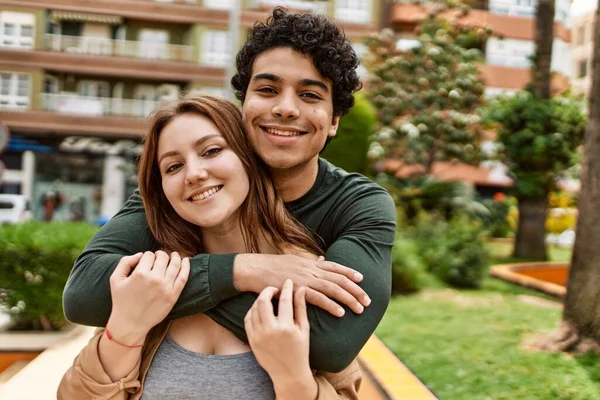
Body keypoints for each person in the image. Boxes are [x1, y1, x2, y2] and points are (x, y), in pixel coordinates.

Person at [63, 7, 396, 372]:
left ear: (333, 121)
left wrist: (163, 289)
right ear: (243, 105)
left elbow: (330, 341)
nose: (285, 108)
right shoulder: (191, 187)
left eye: (310, 95)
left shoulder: (357, 205)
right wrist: (241, 270)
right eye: (268, 89)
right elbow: (84, 294)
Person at [58, 95, 362, 399]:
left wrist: (293, 378)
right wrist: (125, 331)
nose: (194, 174)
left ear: (248, 158)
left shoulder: (305, 276)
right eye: (173, 167)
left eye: (212, 150)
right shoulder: (154, 277)